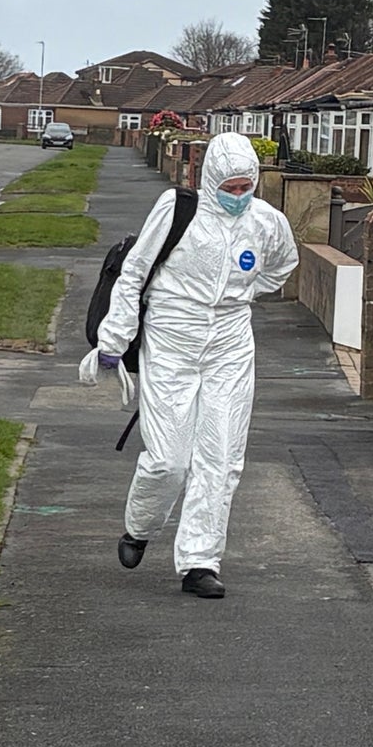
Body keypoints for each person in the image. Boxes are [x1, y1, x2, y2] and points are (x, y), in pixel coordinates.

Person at [84, 134, 297, 597]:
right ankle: (140, 526)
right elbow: (135, 271)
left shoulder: (266, 223)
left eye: (247, 188)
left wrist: (243, 294)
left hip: (230, 343)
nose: (239, 197)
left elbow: (282, 265)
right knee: (168, 459)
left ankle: (200, 561)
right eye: (231, 187)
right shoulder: (178, 209)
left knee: (220, 457)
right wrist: (115, 338)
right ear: (212, 180)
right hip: (172, 337)